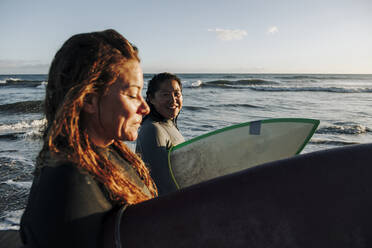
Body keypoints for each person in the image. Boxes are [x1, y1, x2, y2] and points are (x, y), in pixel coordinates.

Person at [20, 29, 157, 248]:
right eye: (132, 94)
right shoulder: (68, 184)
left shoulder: (110, 152)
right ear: (89, 100)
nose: (145, 107)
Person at [136, 72, 184, 196]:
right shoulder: (152, 129)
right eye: (165, 95)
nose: (173, 100)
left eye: (177, 94)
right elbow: (160, 185)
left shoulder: (169, 124)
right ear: (151, 99)